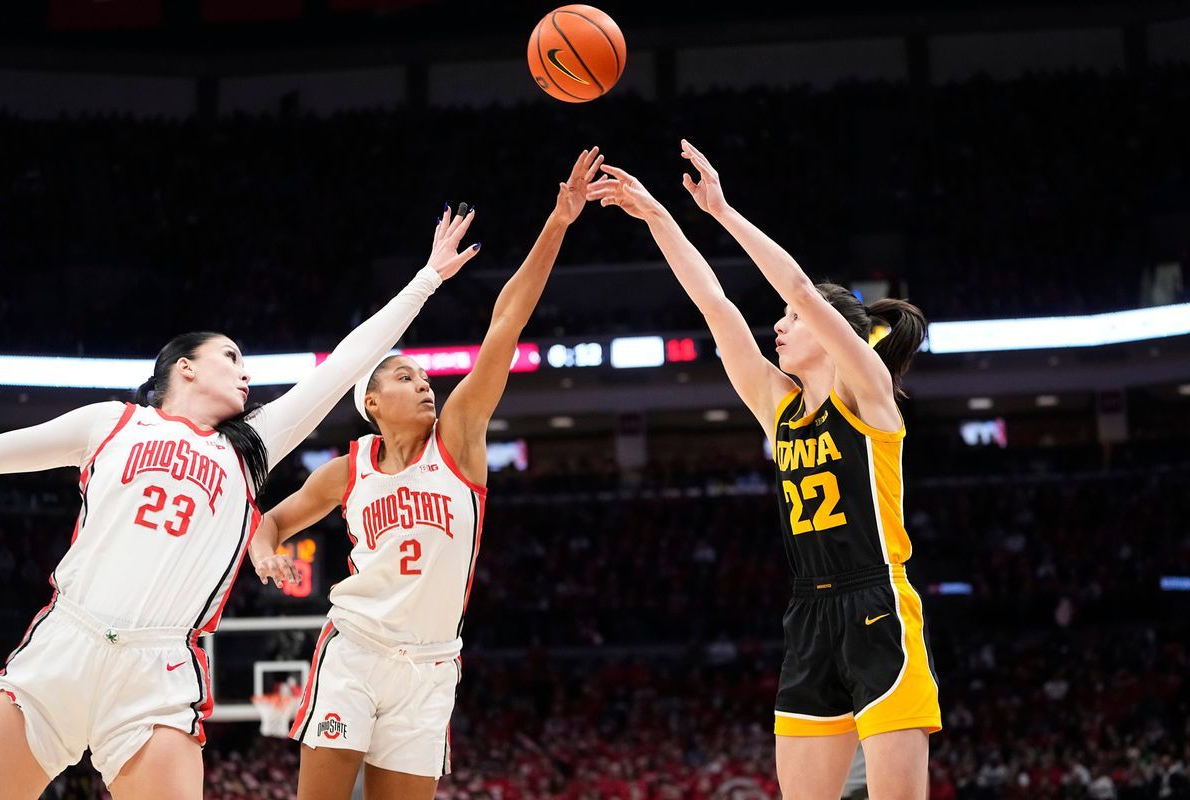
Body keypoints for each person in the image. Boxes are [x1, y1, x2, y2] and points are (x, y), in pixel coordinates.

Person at [0, 207, 479, 800]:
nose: (246, 375)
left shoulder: (250, 449)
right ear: (185, 366)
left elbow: (347, 362)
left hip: (159, 669)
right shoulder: (110, 422)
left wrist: (426, 279)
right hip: (67, 641)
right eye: (232, 359)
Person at [247, 148, 604, 800]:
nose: (425, 385)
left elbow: (506, 324)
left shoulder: (459, 440)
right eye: (406, 378)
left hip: (434, 664)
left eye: (425, 376)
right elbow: (272, 518)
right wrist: (265, 550)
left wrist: (558, 222)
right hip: (354, 649)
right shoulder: (346, 470)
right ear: (371, 404)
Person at [587, 140, 940, 799]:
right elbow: (717, 310)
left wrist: (720, 211)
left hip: (879, 606)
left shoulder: (868, 394)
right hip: (808, 613)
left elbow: (800, 288)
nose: (779, 325)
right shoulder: (778, 408)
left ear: (835, 331)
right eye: (779, 318)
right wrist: (659, 217)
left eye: (790, 319)